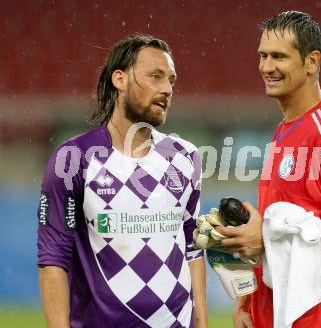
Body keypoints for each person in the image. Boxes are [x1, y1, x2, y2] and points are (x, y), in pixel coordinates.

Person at [217, 11, 321, 328]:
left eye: (279, 56)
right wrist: (247, 304)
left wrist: (265, 235)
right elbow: (276, 228)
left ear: (311, 61)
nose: (267, 67)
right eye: (263, 56)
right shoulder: (284, 131)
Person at [37, 34, 208, 328]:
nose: (167, 89)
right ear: (120, 79)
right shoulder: (73, 159)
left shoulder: (185, 156)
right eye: (155, 76)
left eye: (171, 80)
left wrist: (202, 322)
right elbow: (53, 256)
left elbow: (193, 247)